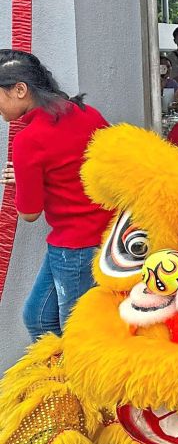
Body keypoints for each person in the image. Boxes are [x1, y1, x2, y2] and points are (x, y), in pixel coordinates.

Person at [0, 50, 111, 339]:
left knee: (77, 336)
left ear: (20, 90)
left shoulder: (28, 140)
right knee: (37, 318)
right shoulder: (87, 113)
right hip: (105, 236)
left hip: (74, 246)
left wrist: (23, 183)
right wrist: (32, 176)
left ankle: (73, 384)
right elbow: (98, 164)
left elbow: (29, 213)